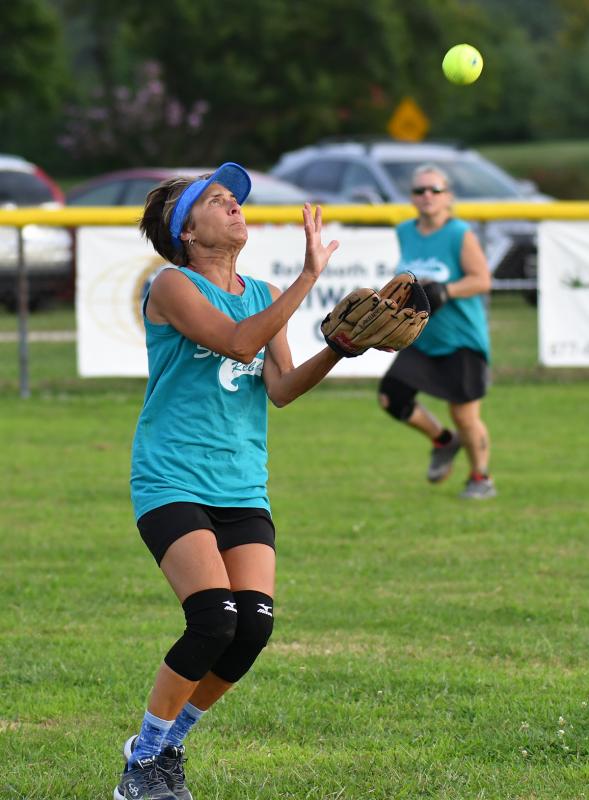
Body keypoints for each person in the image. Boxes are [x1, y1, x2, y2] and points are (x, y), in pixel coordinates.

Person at [115, 162, 345, 800]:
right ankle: (141, 771)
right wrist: (308, 279)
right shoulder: (171, 285)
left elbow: (282, 388)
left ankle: (161, 747)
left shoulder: (260, 291)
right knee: (212, 619)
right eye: (217, 202)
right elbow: (241, 345)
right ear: (187, 232)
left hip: (242, 486)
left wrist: (341, 347)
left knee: (252, 629)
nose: (235, 207)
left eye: (235, 201)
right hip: (173, 480)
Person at [378, 163, 496, 500]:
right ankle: (444, 441)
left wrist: (446, 291)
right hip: (421, 337)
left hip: (461, 339)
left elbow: (482, 279)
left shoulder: (460, 233)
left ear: (448, 197)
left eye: (435, 190)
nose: (427, 195)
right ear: (412, 198)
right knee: (392, 396)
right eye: (419, 190)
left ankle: (480, 478)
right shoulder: (404, 231)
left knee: (464, 413)